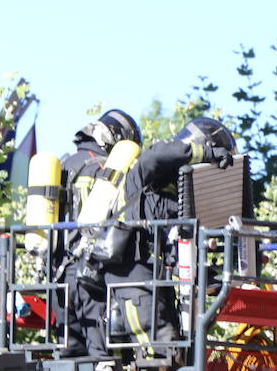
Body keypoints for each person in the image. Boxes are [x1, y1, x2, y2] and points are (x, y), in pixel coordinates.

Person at [73, 117, 236, 356]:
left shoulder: (174, 198)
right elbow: (158, 154)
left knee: (178, 353)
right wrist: (205, 152)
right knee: (162, 352)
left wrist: (211, 279)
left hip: (157, 282)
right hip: (133, 280)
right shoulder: (144, 175)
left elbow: (177, 246)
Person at [57, 109, 141, 356]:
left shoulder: (63, 164)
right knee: (102, 358)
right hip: (91, 273)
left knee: (69, 356)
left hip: (58, 276)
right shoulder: (106, 168)